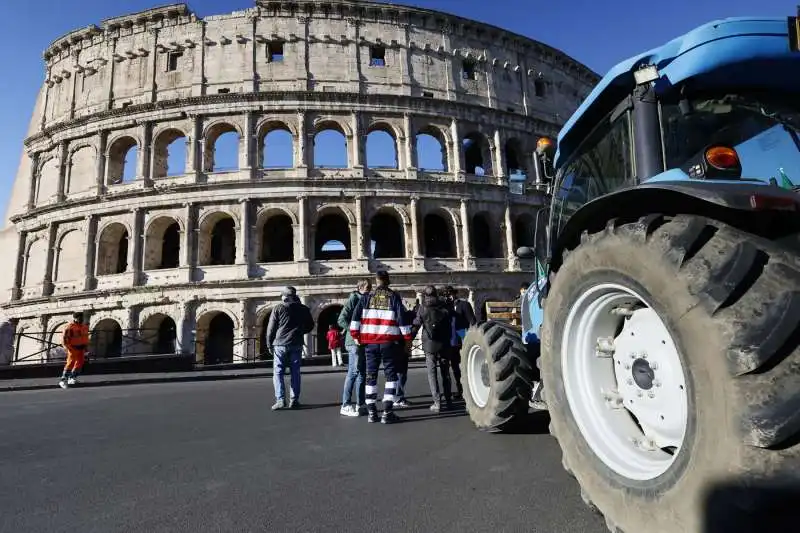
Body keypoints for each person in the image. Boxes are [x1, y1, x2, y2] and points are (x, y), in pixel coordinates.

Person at [349, 270, 412, 424]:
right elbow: (402, 320)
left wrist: (356, 336)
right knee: (391, 376)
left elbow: (355, 320)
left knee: (371, 375)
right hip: (389, 342)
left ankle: (372, 413)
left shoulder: (366, 297)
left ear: (376, 281)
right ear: (388, 280)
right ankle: (387, 412)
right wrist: (408, 340)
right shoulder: (393, 297)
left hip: (370, 343)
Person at [266, 286, 314, 410]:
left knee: (278, 372)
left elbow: (270, 329)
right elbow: (311, 325)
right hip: (296, 343)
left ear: (285, 296)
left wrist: (269, 343)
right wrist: (300, 331)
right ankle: (294, 400)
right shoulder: (303, 309)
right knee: (295, 373)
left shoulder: (278, 308)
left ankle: (280, 399)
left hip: (280, 343)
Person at [414, 286, 454, 412]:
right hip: (444, 343)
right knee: (445, 372)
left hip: (429, 344)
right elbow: (451, 319)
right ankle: (448, 401)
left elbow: (416, 324)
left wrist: (408, 339)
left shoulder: (422, 307)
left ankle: (437, 403)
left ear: (425, 295)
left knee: (432, 373)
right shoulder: (444, 306)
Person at [337, 278, 372, 417]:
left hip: (363, 341)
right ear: (360, 288)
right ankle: (345, 405)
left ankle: (360, 404)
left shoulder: (368, 299)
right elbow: (341, 319)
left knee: (362, 374)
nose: (370, 289)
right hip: (354, 342)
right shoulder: (354, 298)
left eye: (370, 286)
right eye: (367, 287)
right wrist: (354, 333)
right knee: (353, 373)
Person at [442, 286, 465, 400]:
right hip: (447, 342)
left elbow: (471, 321)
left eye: (451, 294)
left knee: (458, 368)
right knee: (446, 369)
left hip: (459, 341)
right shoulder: (444, 307)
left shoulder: (463, 305)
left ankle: (462, 390)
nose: (449, 296)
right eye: (447, 294)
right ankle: (448, 393)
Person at [59, 312, 89, 389]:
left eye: (82, 318)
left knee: (80, 362)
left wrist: (86, 347)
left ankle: (72, 378)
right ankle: (63, 380)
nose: (82, 319)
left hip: (81, 348)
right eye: (80, 318)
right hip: (73, 348)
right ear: (75, 318)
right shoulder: (69, 327)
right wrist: (68, 347)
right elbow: (64, 339)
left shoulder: (84, 327)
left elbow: (85, 338)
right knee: (70, 363)